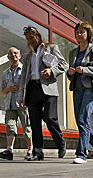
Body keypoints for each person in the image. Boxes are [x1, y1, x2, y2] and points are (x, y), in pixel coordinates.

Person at [18, 26, 68, 161]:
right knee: (34, 121)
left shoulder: (51, 48)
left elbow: (64, 64)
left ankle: (61, 143)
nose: (30, 40)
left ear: (38, 36)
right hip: (32, 89)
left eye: (32, 37)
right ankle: (38, 152)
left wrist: (51, 70)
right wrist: (20, 96)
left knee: (50, 118)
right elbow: (23, 78)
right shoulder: (27, 57)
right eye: (27, 38)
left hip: (47, 87)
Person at [66, 21, 93, 164]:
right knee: (79, 121)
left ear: (88, 34)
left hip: (90, 88)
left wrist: (85, 70)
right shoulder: (73, 53)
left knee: (83, 119)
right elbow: (70, 75)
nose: (79, 34)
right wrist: (70, 72)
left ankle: (82, 154)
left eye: (83, 31)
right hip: (77, 88)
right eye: (77, 31)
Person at [0, 47, 32, 161]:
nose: (13, 56)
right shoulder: (5, 73)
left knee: (27, 127)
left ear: (20, 56)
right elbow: (2, 91)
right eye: (11, 54)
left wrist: (20, 88)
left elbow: (30, 86)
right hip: (10, 104)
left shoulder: (25, 70)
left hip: (22, 103)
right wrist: (8, 88)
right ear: (8, 57)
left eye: (16, 53)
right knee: (10, 127)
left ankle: (30, 149)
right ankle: (9, 150)